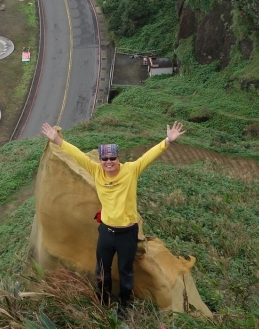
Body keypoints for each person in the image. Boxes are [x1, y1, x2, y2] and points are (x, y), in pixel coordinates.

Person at [41, 121, 186, 313]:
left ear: (118, 158)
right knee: (102, 271)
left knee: (126, 272)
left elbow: (149, 156)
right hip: (107, 233)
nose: (108, 162)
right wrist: (57, 140)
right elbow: (76, 154)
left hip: (127, 234)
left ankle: (124, 306)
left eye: (112, 158)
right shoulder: (96, 171)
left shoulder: (131, 170)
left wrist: (168, 140)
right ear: (100, 160)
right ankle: (103, 301)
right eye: (105, 159)